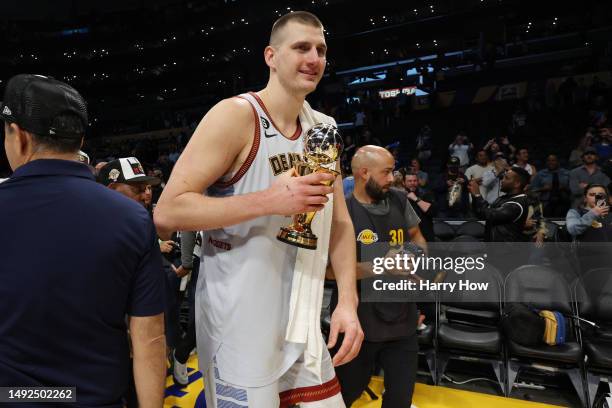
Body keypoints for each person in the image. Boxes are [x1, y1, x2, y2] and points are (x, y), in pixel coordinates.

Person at [154, 12, 363, 407]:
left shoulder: (324, 127)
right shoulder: (235, 115)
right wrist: (270, 201)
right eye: (301, 47)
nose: (314, 58)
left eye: (321, 50)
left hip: (302, 321)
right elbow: (168, 213)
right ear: (271, 55)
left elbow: (339, 224)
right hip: (239, 324)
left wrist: (348, 303)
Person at [0, 74, 166, 407]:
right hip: (98, 397)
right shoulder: (133, 218)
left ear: (19, 137)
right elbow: (149, 338)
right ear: (79, 138)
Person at [331, 145, 425, 408]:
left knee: (399, 400)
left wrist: (418, 261)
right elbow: (327, 271)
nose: (392, 178)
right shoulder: (343, 212)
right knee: (343, 396)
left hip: (402, 319)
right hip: (358, 321)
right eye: (386, 172)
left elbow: (417, 238)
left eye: (393, 171)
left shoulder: (399, 200)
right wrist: (380, 266)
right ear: (364, 173)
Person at [468, 167, 531, 242]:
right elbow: (480, 213)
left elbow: (488, 214)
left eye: (506, 178)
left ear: (517, 184)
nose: (502, 180)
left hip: (506, 251)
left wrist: (477, 195)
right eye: (503, 177)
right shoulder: (503, 198)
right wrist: (474, 195)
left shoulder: (516, 204)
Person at [566, 184, 612, 273]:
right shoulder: (575, 212)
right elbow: (573, 229)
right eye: (592, 195)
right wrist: (593, 213)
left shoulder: (610, 215)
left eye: (601, 195)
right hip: (587, 260)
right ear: (585, 198)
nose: (596, 197)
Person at [404, 171, 437, 242]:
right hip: (407, 237)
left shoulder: (426, 193)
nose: (412, 183)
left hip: (425, 235)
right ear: (404, 183)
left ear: (418, 181)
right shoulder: (400, 196)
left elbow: (432, 211)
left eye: (415, 181)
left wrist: (416, 199)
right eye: (409, 181)